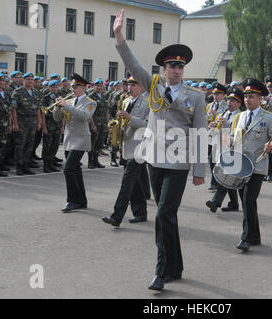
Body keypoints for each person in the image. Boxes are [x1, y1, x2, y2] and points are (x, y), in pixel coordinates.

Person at [113, 8, 206, 291]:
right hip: (154, 160)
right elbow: (131, 64)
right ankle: (176, 265)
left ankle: (161, 271)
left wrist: (200, 170)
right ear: (163, 70)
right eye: (171, 67)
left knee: (163, 213)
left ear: (183, 70)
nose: (176, 71)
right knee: (169, 216)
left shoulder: (196, 97)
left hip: (178, 164)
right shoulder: (151, 85)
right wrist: (119, 35)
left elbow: (201, 133)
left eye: (180, 67)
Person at [229, 78, 272, 251]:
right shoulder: (239, 117)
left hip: (258, 166)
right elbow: (233, 137)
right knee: (247, 203)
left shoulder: (270, 118)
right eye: (245, 96)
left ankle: (245, 238)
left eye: (251, 97)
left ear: (260, 98)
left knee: (248, 199)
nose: (247, 100)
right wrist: (224, 139)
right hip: (241, 166)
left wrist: (271, 146)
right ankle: (255, 236)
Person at [102, 76, 150, 227]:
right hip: (128, 146)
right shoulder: (127, 101)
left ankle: (117, 216)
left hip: (140, 147)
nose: (129, 87)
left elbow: (148, 125)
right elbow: (124, 124)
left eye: (133, 85)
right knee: (135, 182)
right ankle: (140, 212)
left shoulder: (149, 102)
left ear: (142, 86)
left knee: (127, 183)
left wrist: (130, 117)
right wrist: (116, 126)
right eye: (128, 84)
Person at [54, 73, 96, 212]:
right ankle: (81, 201)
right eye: (72, 86)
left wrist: (66, 106)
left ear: (83, 87)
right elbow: (57, 118)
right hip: (69, 140)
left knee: (68, 169)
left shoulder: (90, 102)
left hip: (81, 139)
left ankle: (71, 200)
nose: (72, 89)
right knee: (76, 171)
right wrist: (58, 107)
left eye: (75, 86)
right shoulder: (70, 102)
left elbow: (85, 116)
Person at [205, 87, 243, 213]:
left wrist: (226, 124)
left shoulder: (240, 116)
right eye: (229, 100)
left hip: (232, 148)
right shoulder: (224, 113)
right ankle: (234, 203)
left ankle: (216, 202)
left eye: (233, 100)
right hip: (220, 146)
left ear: (239, 103)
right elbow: (216, 131)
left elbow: (237, 134)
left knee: (227, 176)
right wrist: (211, 127)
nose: (229, 102)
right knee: (229, 177)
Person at [11, 73, 42, 175]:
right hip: (21, 121)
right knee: (20, 144)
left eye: (32, 79)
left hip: (32, 122)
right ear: (23, 80)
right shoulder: (18, 92)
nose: (30, 81)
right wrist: (15, 123)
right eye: (28, 79)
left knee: (29, 144)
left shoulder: (36, 93)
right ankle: (19, 166)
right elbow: (13, 109)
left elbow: (38, 109)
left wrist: (39, 122)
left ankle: (26, 164)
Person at [205, 82, 228, 191]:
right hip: (212, 135)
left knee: (219, 159)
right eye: (214, 93)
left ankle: (220, 182)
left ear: (223, 95)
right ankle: (215, 182)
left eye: (218, 94)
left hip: (222, 135)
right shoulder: (209, 105)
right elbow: (205, 119)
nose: (216, 96)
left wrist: (215, 116)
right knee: (212, 159)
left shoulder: (227, 106)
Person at [41, 80, 62, 173]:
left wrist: (62, 127)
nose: (55, 88)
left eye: (56, 87)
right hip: (49, 125)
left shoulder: (59, 97)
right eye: (53, 87)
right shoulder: (45, 98)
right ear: (49, 88)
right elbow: (43, 114)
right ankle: (46, 165)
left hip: (57, 125)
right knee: (47, 145)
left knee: (55, 145)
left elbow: (62, 112)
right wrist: (44, 127)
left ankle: (51, 163)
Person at [87, 78, 109, 169]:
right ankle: (90, 161)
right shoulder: (91, 96)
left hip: (103, 124)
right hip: (95, 123)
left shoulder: (103, 96)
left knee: (99, 142)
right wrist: (92, 125)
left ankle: (96, 160)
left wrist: (108, 123)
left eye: (101, 86)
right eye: (98, 86)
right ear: (94, 86)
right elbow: (89, 112)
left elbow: (106, 111)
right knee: (92, 142)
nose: (100, 87)